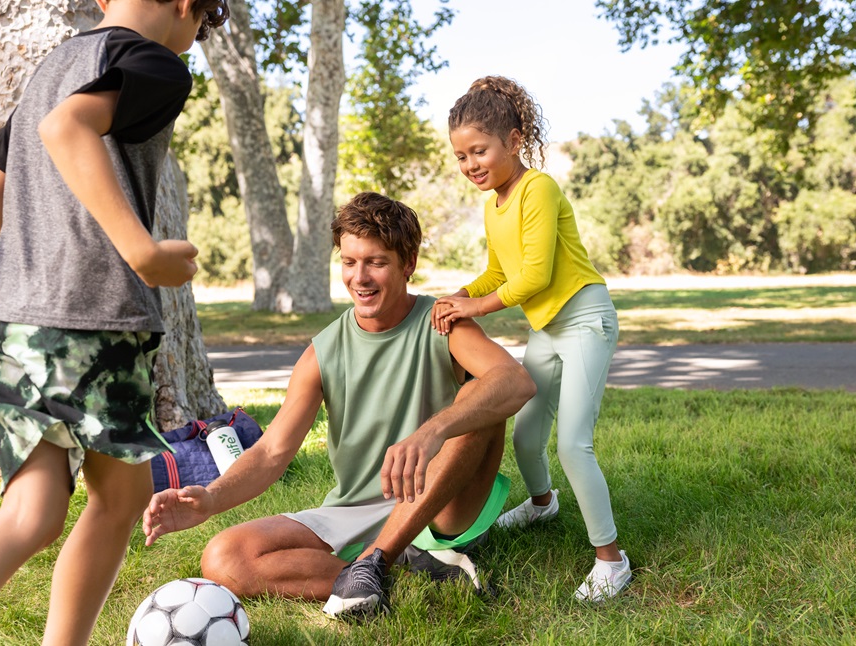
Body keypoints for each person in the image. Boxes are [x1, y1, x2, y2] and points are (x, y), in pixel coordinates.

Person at [142, 191, 536, 621]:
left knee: (479, 395)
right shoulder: (323, 352)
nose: (360, 278)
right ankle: (402, 576)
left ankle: (378, 562)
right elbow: (272, 452)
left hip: (437, 503)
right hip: (355, 509)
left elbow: (514, 381)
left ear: (409, 263)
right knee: (225, 557)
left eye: (376, 262)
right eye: (349, 262)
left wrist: (431, 432)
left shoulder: (441, 324)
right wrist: (209, 499)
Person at [0, 1, 229, 643]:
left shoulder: (51, 65)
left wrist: (45, 263)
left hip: (4, 320)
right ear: (186, 7)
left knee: (31, 515)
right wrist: (140, 252)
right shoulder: (154, 63)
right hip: (94, 326)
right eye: (202, 25)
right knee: (117, 501)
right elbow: (68, 128)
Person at [432, 75, 630, 602]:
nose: (471, 164)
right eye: (461, 156)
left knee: (573, 443)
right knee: (525, 434)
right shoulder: (492, 205)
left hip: (586, 319)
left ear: (514, 141)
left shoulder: (538, 188)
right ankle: (544, 505)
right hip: (548, 328)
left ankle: (611, 560)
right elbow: (499, 272)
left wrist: (475, 306)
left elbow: (536, 276)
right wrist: (457, 296)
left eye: (480, 150)